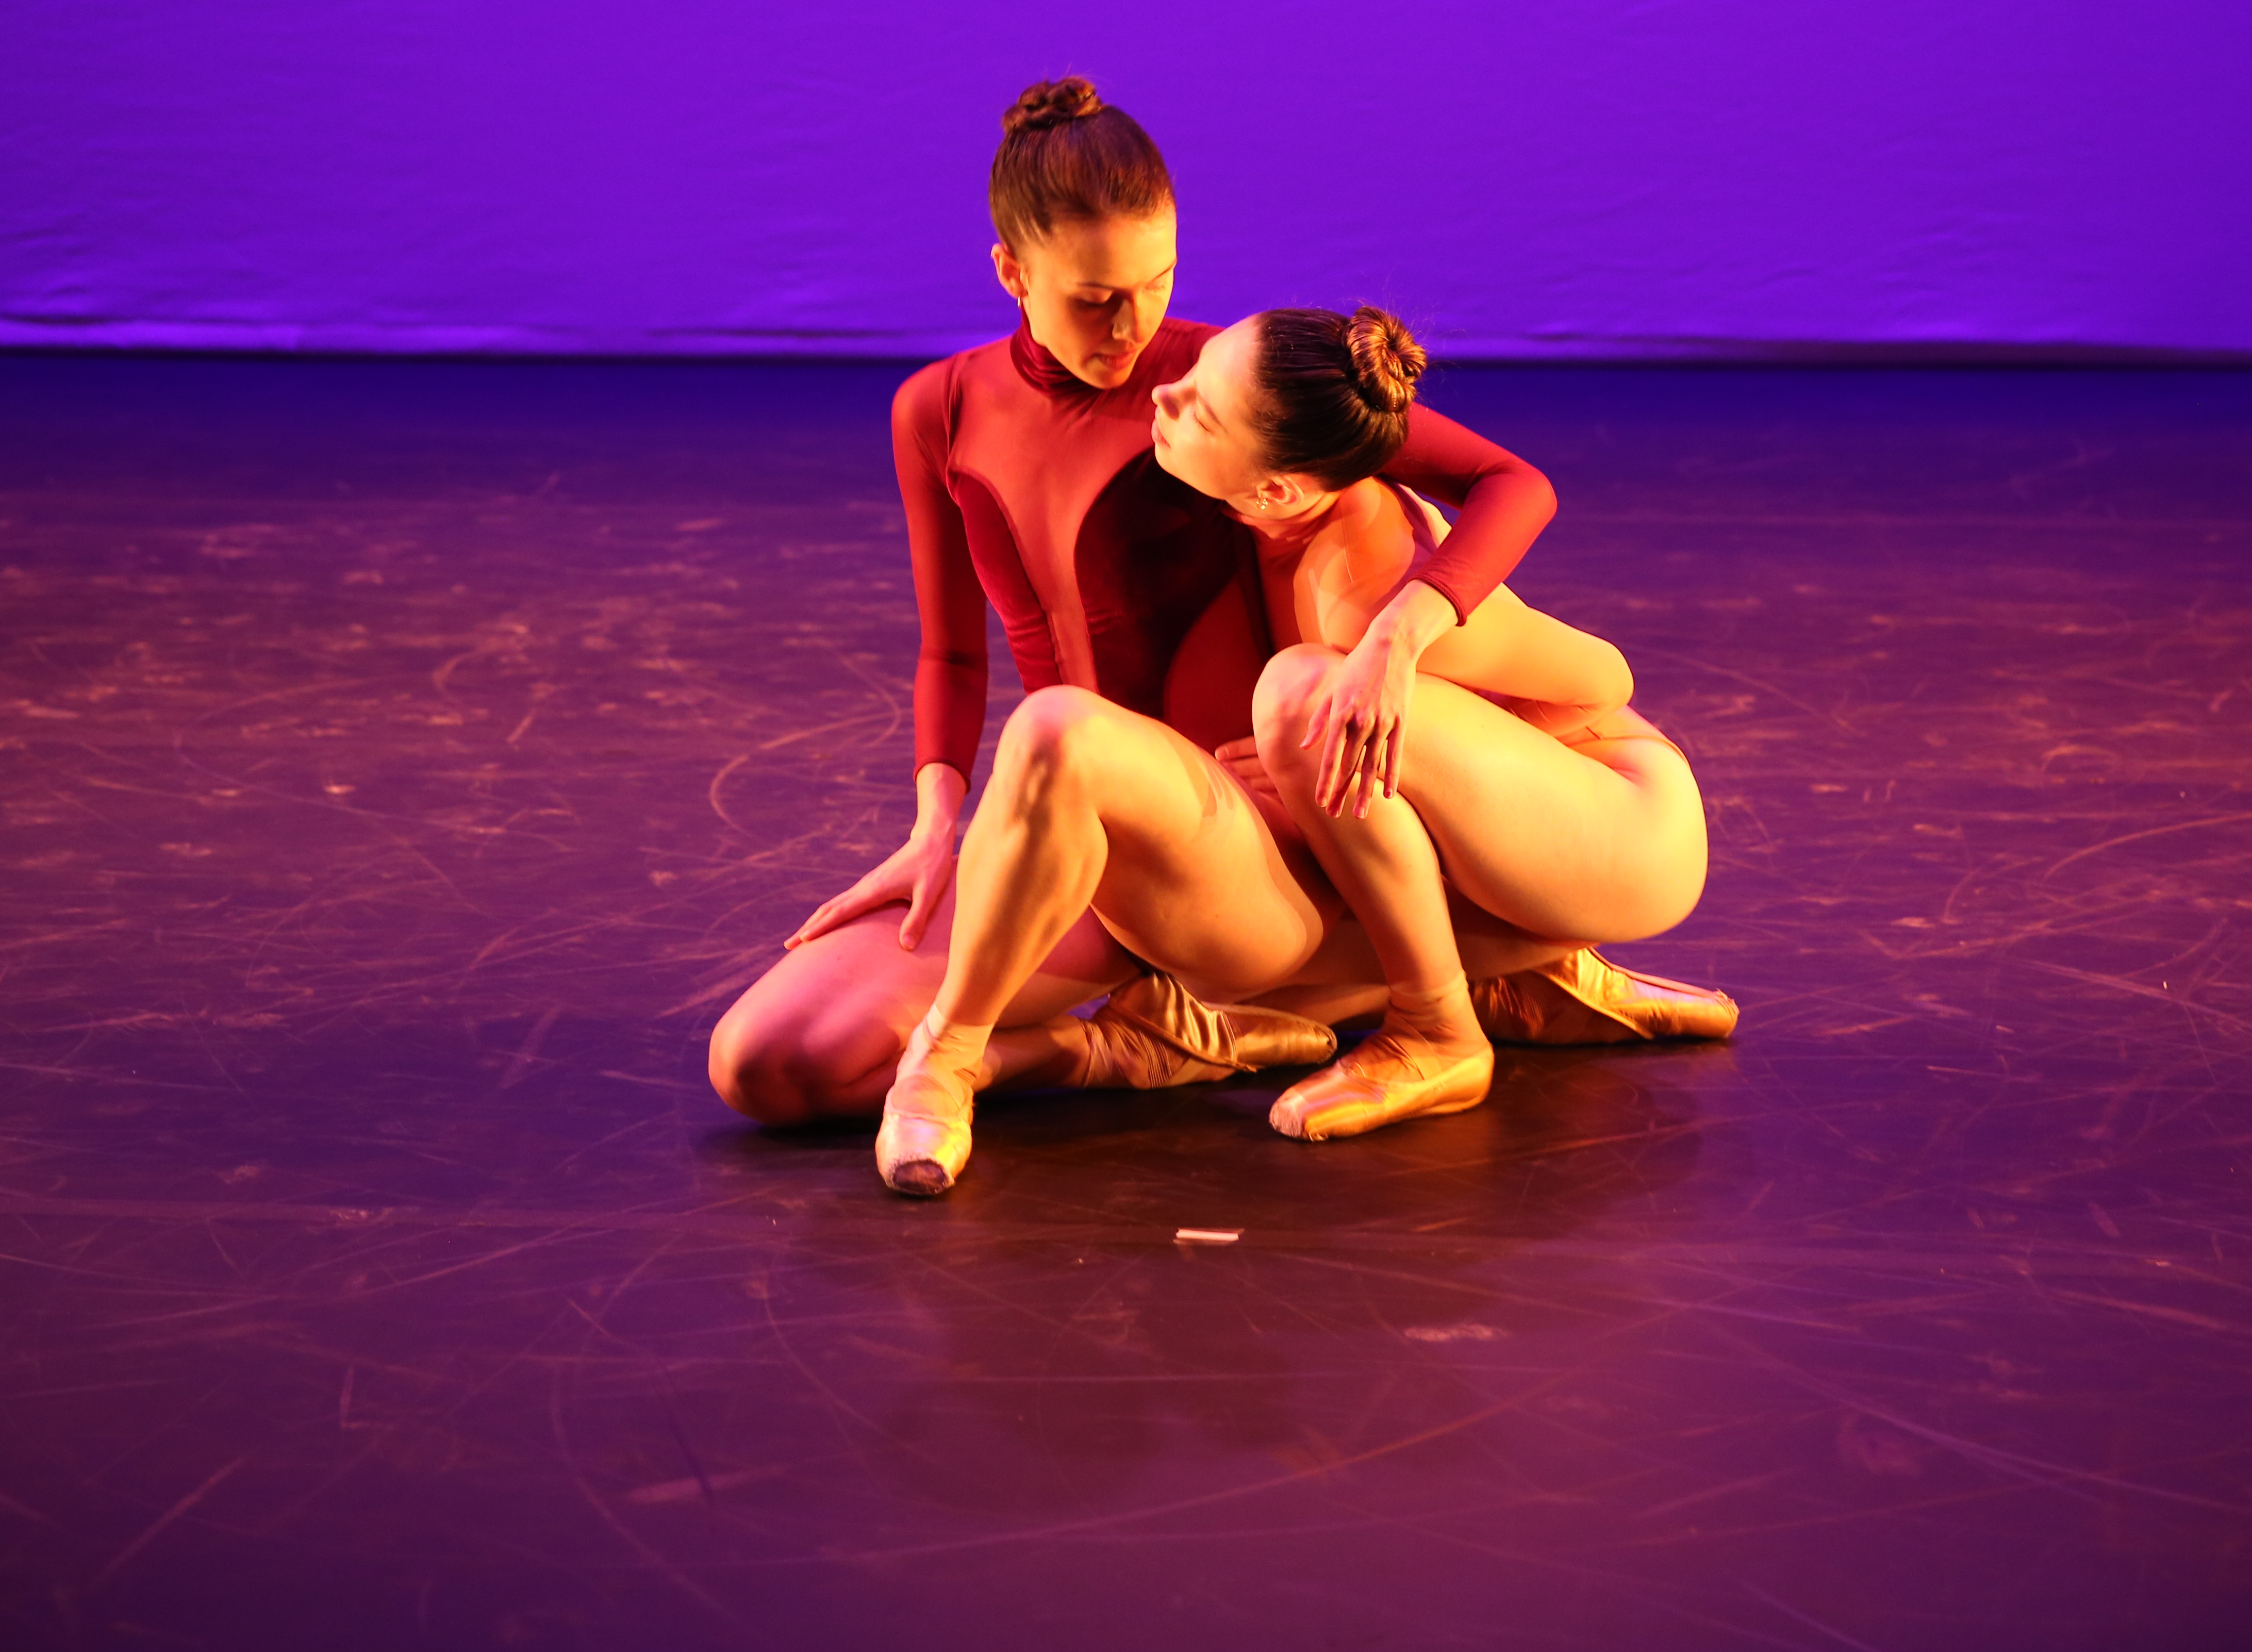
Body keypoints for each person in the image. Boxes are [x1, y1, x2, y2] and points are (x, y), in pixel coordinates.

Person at [709, 78, 1565, 1137]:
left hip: (1237, 843)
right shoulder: (936, 410)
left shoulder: (1224, 387)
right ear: (1011, 273)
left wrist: (1399, 633)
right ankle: (1155, 1041)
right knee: (774, 1066)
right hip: (1070, 822)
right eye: (1093, 299)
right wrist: (938, 822)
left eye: (1156, 283)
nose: (1132, 327)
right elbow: (951, 654)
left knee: (863, 1043)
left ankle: (1176, 1016)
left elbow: (1511, 483)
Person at [868, 306, 1734, 1192]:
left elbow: (1604, 677)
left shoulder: (1366, 585)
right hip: (1495, 832)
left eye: (1198, 408)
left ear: (1277, 489)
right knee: (1271, 764)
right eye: (1195, 377)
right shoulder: (1288, 479)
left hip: (1624, 823)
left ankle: (1438, 1031)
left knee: (1301, 696)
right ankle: (1508, 984)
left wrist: (1412, 630)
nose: (1161, 396)